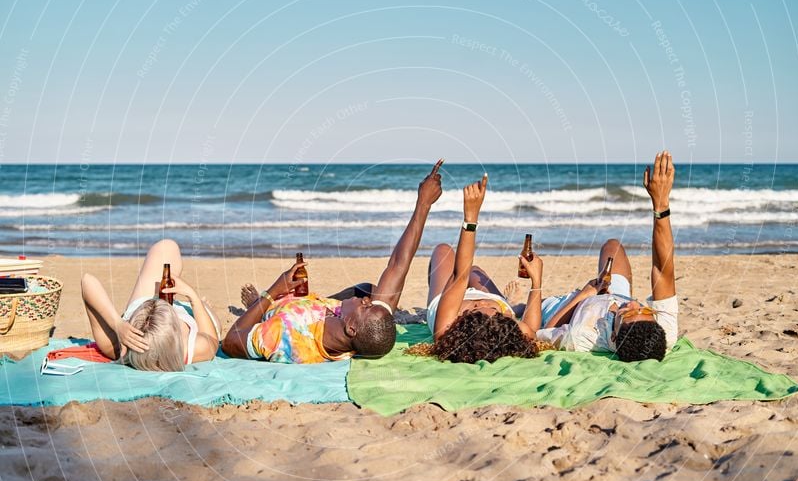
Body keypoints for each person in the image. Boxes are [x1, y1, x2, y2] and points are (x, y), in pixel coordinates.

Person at [222, 160, 445, 363]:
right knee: (367, 287)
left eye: (365, 307)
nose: (367, 301)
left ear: (351, 327)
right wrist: (423, 204)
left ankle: (257, 305)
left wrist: (272, 291)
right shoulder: (358, 329)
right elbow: (399, 264)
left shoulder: (288, 338)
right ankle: (274, 301)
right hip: (316, 307)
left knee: (267, 304)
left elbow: (231, 341)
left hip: (282, 310)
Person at [536, 151, 679, 362]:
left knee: (524, 307)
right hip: (613, 295)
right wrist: (661, 204)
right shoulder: (663, 329)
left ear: (613, 336)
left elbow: (547, 331)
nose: (635, 305)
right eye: (645, 310)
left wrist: (586, 293)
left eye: (629, 315)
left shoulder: (583, 337)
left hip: (569, 306)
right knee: (613, 246)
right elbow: (662, 269)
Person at [427, 173, 546, 364]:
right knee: (475, 270)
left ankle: (449, 290)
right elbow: (532, 329)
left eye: (475, 309)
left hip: (448, 302)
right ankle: (509, 303)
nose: (482, 302)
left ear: (463, 322)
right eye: (495, 311)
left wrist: (471, 217)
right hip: (495, 304)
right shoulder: (506, 329)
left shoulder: (446, 330)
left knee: (444, 251)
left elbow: (461, 274)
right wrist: (536, 281)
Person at [80, 239, 220, 371]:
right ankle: (203, 306)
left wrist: (118, 324)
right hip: (189, 317)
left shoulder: (121, 349)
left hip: (145, 313)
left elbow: (87, 281)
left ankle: (198, 306)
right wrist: (193, 296)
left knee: (166, 247)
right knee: (209, 314)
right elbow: (212, 338)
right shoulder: (196, 349)